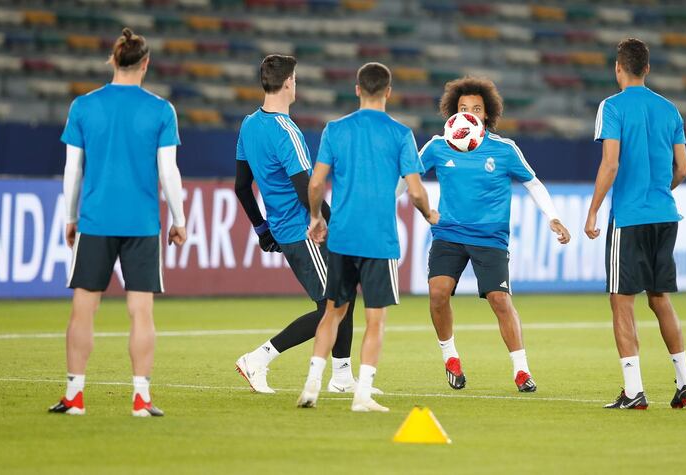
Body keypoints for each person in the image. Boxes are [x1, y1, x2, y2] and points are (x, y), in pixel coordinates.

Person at [49, 28, 186, 417]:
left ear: (113, 59)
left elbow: (72, 170)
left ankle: (74, 395)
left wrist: (70, 217)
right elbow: (168, 172)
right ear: (145, 63)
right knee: (141, 313)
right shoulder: (161, 110)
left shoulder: (84, 107)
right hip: (142, 224)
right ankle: (141, 398)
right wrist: (179, 219)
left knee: (82, 310)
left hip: (95, 220)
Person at [297, 62, 439, 412]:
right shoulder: (400, 134)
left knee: (333, 312)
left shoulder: (335, 130)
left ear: (357, 89)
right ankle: (362, 396)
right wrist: (429, 214)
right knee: (376, 320)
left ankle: (312, 384)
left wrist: (315, 217)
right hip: (379, 240)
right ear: (389, 92)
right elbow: (416, 191)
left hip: (342, 237)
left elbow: (315, 183)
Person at [415, 77, 570, 392]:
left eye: (475, 108)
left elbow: (533, 182)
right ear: (452, 113)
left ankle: (522, 370)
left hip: (490, 238)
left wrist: (552, 217)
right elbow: (408, 177)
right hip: (449, 233)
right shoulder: (437, 145)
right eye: (462, 108)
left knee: (500, 300)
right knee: (437, 294)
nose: (468, 113)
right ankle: (450, 357)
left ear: (486, 114)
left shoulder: (504, 149)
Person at [233, 54, 376, 395]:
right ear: (288, 83)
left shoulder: (249, 125)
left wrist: (261, 228)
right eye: (295, 79)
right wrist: (329, 222)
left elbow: (241, 186)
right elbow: (306, 189)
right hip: (303, 229)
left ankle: (341, 377)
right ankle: (258, 359)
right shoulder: (286, 130)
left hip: (284, 229)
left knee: (343, 297)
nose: (296, 84)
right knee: (333, 305)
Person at [585, 38, 686, 410]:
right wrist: (660, 191)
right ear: (647, 68)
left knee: (621, 301)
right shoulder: (670, 110)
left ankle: (634, 391)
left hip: (630, 218)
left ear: (618, 68)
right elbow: (681, 169)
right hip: (665, 215)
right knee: (660, 298)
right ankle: (685, 384)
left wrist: (593, 210)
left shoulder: (611, 107)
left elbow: (610, 163)